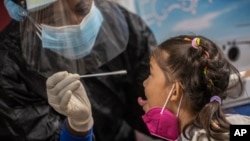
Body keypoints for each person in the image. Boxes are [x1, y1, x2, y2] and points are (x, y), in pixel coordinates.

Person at [0, 0, 157, 141]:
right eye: (55, 19)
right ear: (26, 15)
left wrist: (175, 119)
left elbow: (156, 105)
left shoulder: (121, 24)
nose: (77, 24)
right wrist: (77, 130)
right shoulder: (8, 67)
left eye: (82, 8)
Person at [47, 35, 250, 141]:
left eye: (151, 73)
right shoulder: (233, 127)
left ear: (176, 91)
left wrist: (78, 131)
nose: (144, 83)